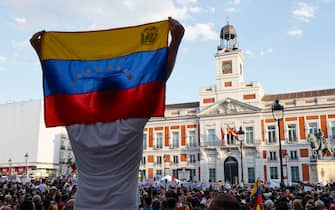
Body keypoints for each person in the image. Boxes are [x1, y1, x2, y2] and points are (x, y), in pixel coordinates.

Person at [30, 17, 184, 210]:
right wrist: (175, 42)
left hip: (84, 205)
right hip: (124, 205)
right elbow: (157, 81)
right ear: (123, 97)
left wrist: (43, 54)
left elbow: (57, 85)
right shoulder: (130, 124)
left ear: (91, 96)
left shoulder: (76, 124)